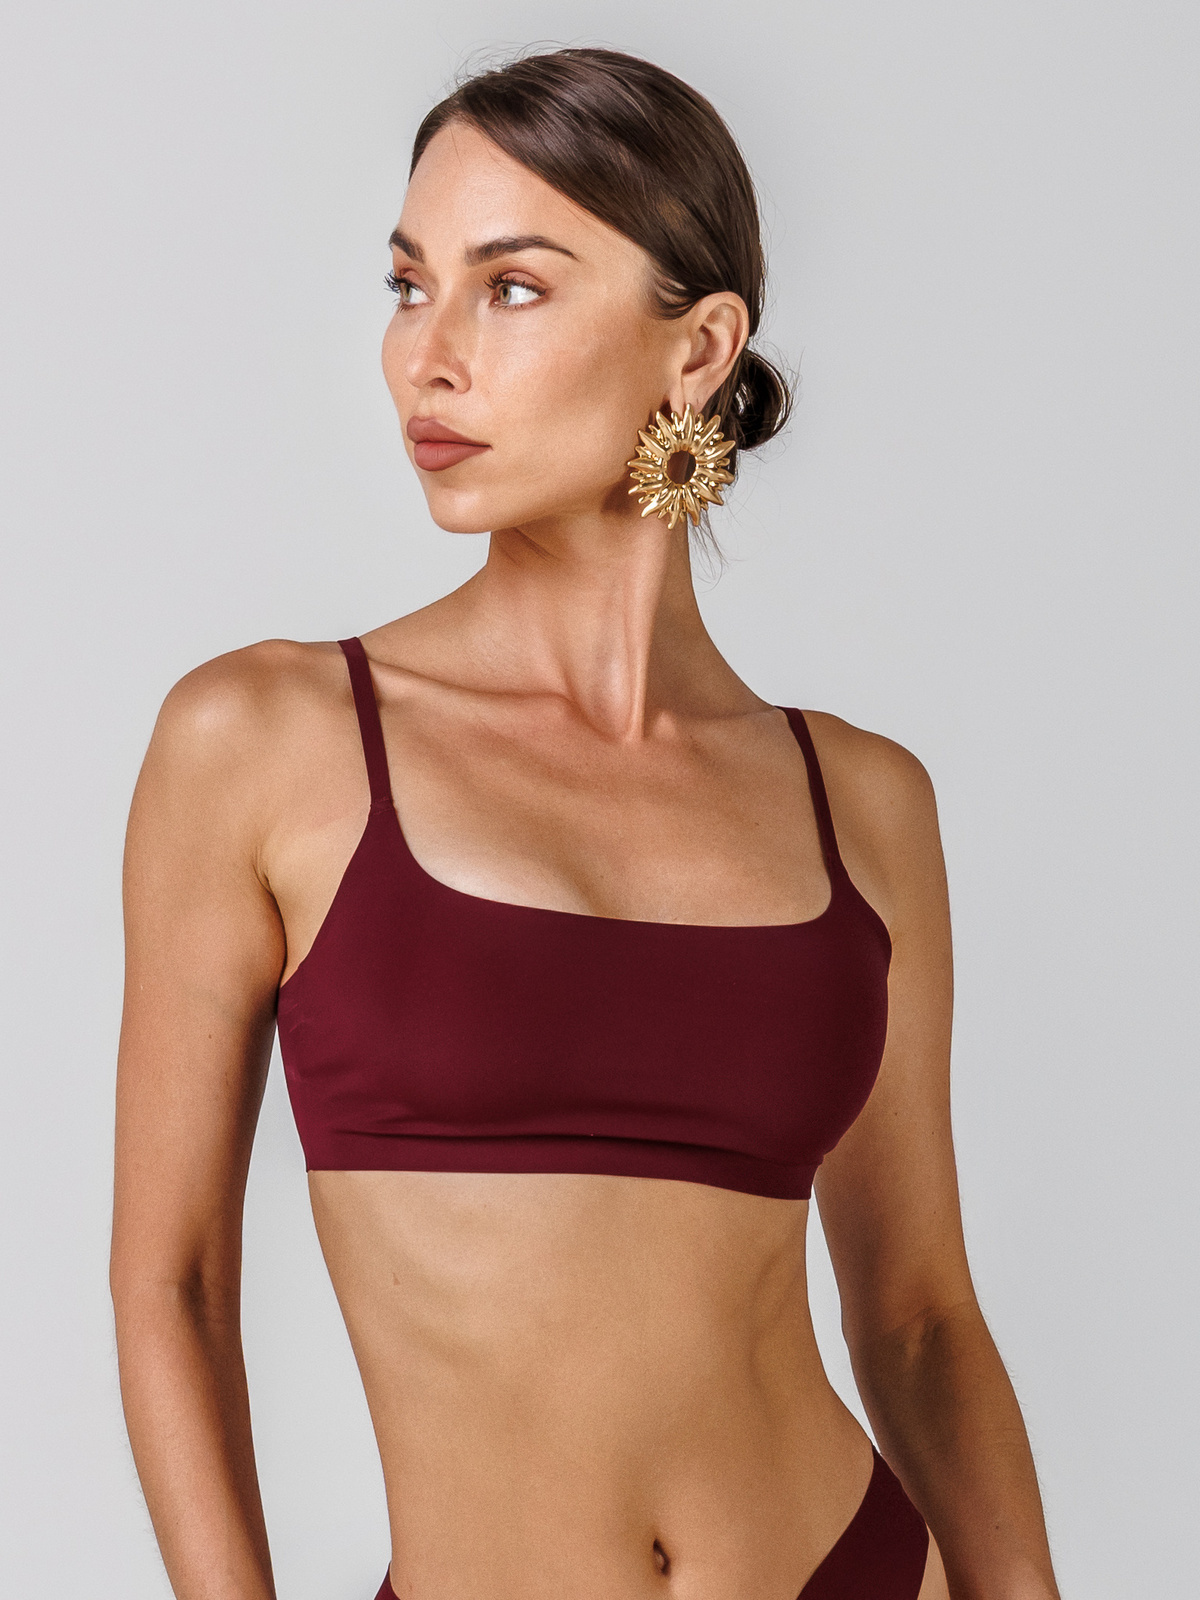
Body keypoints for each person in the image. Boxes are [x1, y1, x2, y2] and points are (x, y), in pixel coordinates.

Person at [110, 47, 1061, 1600]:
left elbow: (918, 1320)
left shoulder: (863, 804)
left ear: (699, 350)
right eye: (409, 285)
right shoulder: (268, 741)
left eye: (511, 289)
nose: (425, 358)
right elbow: (176, 1282)